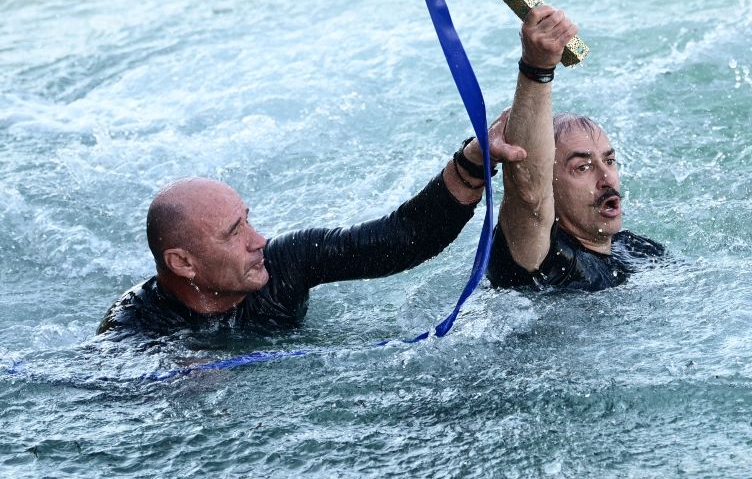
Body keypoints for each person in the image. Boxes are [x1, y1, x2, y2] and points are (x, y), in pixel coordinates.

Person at [98, 121, 526, 338]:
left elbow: (403, 239)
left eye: (248, 220)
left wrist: (473, 161)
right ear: (183, 263)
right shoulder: (136, 330)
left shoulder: (284, 264)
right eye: (234, 233)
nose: (258, 240)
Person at [486, 5, 664, 291]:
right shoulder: (547, 262)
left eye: (609, 160)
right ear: (550, 187)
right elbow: (528, 192)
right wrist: (537, 69)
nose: (607, 179)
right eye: (582, 167)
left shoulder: (637, 249)